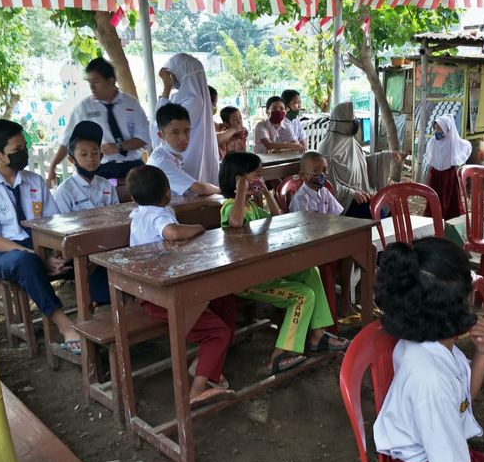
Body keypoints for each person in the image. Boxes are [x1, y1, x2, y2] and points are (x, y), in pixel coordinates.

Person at [373, 238, 484, 462]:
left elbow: (459, 401)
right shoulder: (429, 377)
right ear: (459, 303)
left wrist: (483, 356)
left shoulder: (432, 345)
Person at [0, 120, 95, 355]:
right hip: (4, 252)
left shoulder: (34, 181)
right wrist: (38, 256)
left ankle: (96, 317)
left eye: (24, 147)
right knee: (28, 263)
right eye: (17, 151)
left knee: (85, 251)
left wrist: (54, 253)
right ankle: (65, 326)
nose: (23, 154)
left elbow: (53, 223)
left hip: (39, 245)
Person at [219, 152, 349, 374]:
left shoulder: (252, 207)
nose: (260, 180)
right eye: (256, 176)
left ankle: (318, 335)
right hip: (246, 280)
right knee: (303, 295)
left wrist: (267, 194)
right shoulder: (231, 207)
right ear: (238, 179)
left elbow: (278, 217)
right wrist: (241, 188)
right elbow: (235, 222)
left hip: (264, 272)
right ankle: (281, 353)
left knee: (311, 272)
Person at [126, 165, 236, 405]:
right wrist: (199, 228)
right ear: (168, 193)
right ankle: (197, 390)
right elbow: (173, 233)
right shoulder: (159, 214)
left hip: (158, 289)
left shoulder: (138, 214)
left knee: (225, 302)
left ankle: (206, 365)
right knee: (219, 332)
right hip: (164, 296)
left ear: (133, 198)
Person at [48, 57, 150, 184]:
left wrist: (119, 146)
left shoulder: (131, 104)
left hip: (133, 166)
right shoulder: (84, 108)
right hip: (101, 169)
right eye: (89, 82)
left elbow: (143, 138)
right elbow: (66, 141)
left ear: (111, 81)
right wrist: (52, 166)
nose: (92, 87)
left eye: (96, 82)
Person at [288, 151, 357, 320]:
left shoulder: (325, 193)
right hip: (309, 246)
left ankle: (346, 299)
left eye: (325, 171)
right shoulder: (301, 199)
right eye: (316, 172)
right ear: (302, 175)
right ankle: (331, 310)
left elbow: (338, 219)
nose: (322, 176)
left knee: (361, 249)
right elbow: (306, 229)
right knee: (329, 264)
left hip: (326, 241)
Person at [155, 53, 220, 185]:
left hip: (187, 155)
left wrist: (166, 88)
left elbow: (159, 123)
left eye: (172, 75)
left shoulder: (194, 100)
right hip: (186, 153)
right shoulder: (190, 97)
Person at [147, 103, 220, 196]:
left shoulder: (173, 155)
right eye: (175, 132)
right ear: (161, 135)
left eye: (187, 130)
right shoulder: (161, 162)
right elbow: (199, 188)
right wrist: (225, 190)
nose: (183, 138)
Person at [317, 102, 374, 218]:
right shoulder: (328, 149)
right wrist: (351, 193)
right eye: (352, 117)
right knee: (371, 211)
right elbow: (327, 184)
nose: (356, 120)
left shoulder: (352, 142)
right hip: (341, 203)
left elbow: (362, 163)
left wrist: (388, 156)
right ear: (341, 121)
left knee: (389, 205)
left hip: (361, 194)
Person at [55, 121, 120, 213]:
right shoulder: (64, 192)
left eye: (95, 153)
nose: (91, 158)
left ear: (100, 157)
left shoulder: (107, 186)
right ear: (72, 160)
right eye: (84, 154)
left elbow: (116, 217)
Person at [422, 114, 471, 220]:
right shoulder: (432, 142)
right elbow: (431, 160)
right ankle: (434, 215)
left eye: (440, 129)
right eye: (436, 129)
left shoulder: (452, 143)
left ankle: (449, 216)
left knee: (449, 197)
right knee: (435, 196)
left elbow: (456, 160)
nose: (437, 132)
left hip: (448, 175)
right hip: (436, 174)